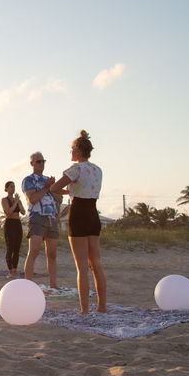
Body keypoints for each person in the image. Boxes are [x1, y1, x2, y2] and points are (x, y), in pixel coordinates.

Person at [51, 130, 106, 314]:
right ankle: (102, 306)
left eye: (72, 149)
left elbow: (55, 187)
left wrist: (53, 185)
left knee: (81, 266)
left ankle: (84, 309)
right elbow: (84, 189)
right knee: (96, 263)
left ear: (78, 151)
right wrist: (70, 190)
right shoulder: (97, 170)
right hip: (93, 212)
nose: (70, 152)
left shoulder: (75, 169)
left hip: (79, 213)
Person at [22, 151, 59, 289]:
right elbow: (32, 199)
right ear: (32, 164)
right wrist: (46, 187)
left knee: (52, 253)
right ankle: (28, 285)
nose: (41, 164)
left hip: (52, 217)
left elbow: (59, 198)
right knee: (34, 251)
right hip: (37, 217)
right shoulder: (28, 180)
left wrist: (53, 188)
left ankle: (53, 285)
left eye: (43, 161)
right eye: (38, 161)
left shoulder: (47, 179)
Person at [1, 181, 25, 277]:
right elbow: (8, 212)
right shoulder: (4, 200)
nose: (13, 188)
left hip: (17, 223)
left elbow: (23, 212)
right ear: (6, 188)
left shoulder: (17, 200)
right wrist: (15, 202)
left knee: (17, 248)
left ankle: (15, 269)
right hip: (9, 224)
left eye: (14, 186)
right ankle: (10, 270)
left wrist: (18, 202)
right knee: (10, 247)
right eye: (11, 187)